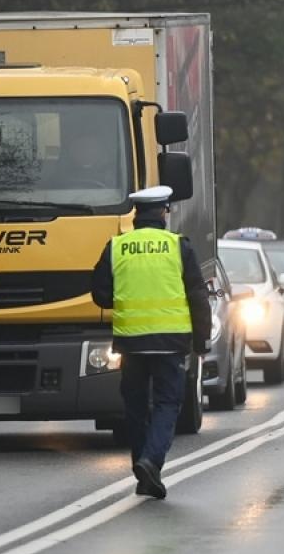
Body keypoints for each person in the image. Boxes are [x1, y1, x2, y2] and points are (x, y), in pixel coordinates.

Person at [90, 186, 210, 500]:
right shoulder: (177, 246)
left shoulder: (116, 247)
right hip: (170, 342)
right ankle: (151, 461)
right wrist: (202, 340)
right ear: (163, 213)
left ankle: (143, 473)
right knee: (168, 403)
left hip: (131, 343)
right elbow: (198, 297)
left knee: (135, 406)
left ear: (136, 214)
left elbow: (100, 295)